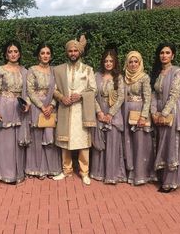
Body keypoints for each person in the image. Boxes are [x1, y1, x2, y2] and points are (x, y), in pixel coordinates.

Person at [52, 35, 97, 185]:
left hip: (81, 110)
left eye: (75, 51)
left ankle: (84, 172)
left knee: (83, 142)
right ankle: (67, 171)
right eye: (70, 51)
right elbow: (54, 89)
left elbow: (93, 89)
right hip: (65, 109)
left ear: (80, 52)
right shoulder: (58, 70)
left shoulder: (88, 70)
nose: (72, 53)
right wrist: (61, 98)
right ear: (67, 52)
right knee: (65, 142)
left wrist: (82, 96)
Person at [151, 42, 180, 193]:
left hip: (173, 112)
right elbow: (155, 95)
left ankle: (171, 182)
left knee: (172, 146)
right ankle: (164, 178)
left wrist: (163, 113)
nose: (164, 55)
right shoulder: (157, 73)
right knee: (163, 145)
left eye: (167, 53)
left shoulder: (177, 71)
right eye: (162, 53)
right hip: (161, 113)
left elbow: (175, 94)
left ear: (173, 55)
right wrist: (154, 112)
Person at [0, 40, 30, 184]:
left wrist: (28, 104)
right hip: (4, 106)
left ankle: (17, 173)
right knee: (5, 141)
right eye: (10, 52)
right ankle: (4, 173)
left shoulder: (25, 71)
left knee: (17, 142)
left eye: (15, 51)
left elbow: (28, 93)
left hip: (19, 109)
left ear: (19, 53)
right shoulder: (0, 70)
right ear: (6, 54)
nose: (13, 54)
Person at [90, 48, 126, 184]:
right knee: (100, 143)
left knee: (113, 142)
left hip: (114, 114)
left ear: (115, 62)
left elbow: (121, 97)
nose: (108, 63)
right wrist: (99, 112)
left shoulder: (119, 77)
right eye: (106, 61)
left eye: (111, 61)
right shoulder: (96, 76)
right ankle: (99, 173)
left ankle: (112, 174)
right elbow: (92, 95)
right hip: (99, 112)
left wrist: (110, 113)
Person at [25, 43, 61, 179]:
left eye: (48, 53)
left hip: (51, 108)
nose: (45, 56)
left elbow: (57, 91)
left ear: (51, 56)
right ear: (38, 55)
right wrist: (42, 106)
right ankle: (36, 170)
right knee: (36, 138)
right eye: (42, 53)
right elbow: (30, 91)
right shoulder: (32, 70)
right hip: (36, 107)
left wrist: (51, 106)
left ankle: (51, 169)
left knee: (50, 138)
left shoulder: (55, 71)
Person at [123, 51, 156, 185]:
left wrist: (143, 116)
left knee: (140, 144)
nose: (133, 64)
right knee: (128, 143)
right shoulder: (124, 77)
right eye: (130, 62)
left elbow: (147, 98)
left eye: (136, 61)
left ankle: (142, 174)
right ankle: (130, 173)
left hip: (139, 114)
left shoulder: (144, 77)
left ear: (140, 62)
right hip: (126, 112)